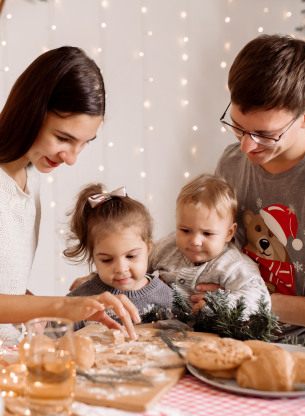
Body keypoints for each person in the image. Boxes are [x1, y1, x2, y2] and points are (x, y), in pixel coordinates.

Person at [213, 34, 305, 344]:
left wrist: (257, 301)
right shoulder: (230, 162)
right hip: (229, 334)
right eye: (237, 126)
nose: (247, 147)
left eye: (265, 134)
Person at [0, 46, 139, 341]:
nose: (71, 158)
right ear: (31, 111)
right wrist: (64, 306)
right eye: (63, 138)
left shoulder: (30, 176)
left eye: (84, 143)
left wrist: (46, 311)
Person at [148, 174, 270, 316]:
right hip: (158, 328)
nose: (195, 241)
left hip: (209, 334)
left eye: (207, 234)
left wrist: (221, 303)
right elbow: (139, 263)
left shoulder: (233, 265)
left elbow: (261, 299)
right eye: (185, 230)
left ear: (229, 233)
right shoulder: (167, 247)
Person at [65, 183, 174, 329]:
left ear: (148, 249)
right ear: (93, 257)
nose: (121, 269)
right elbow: (51, 338)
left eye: (131, 256)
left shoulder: (167, 297)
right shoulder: (82, 300)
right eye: (107, 260)